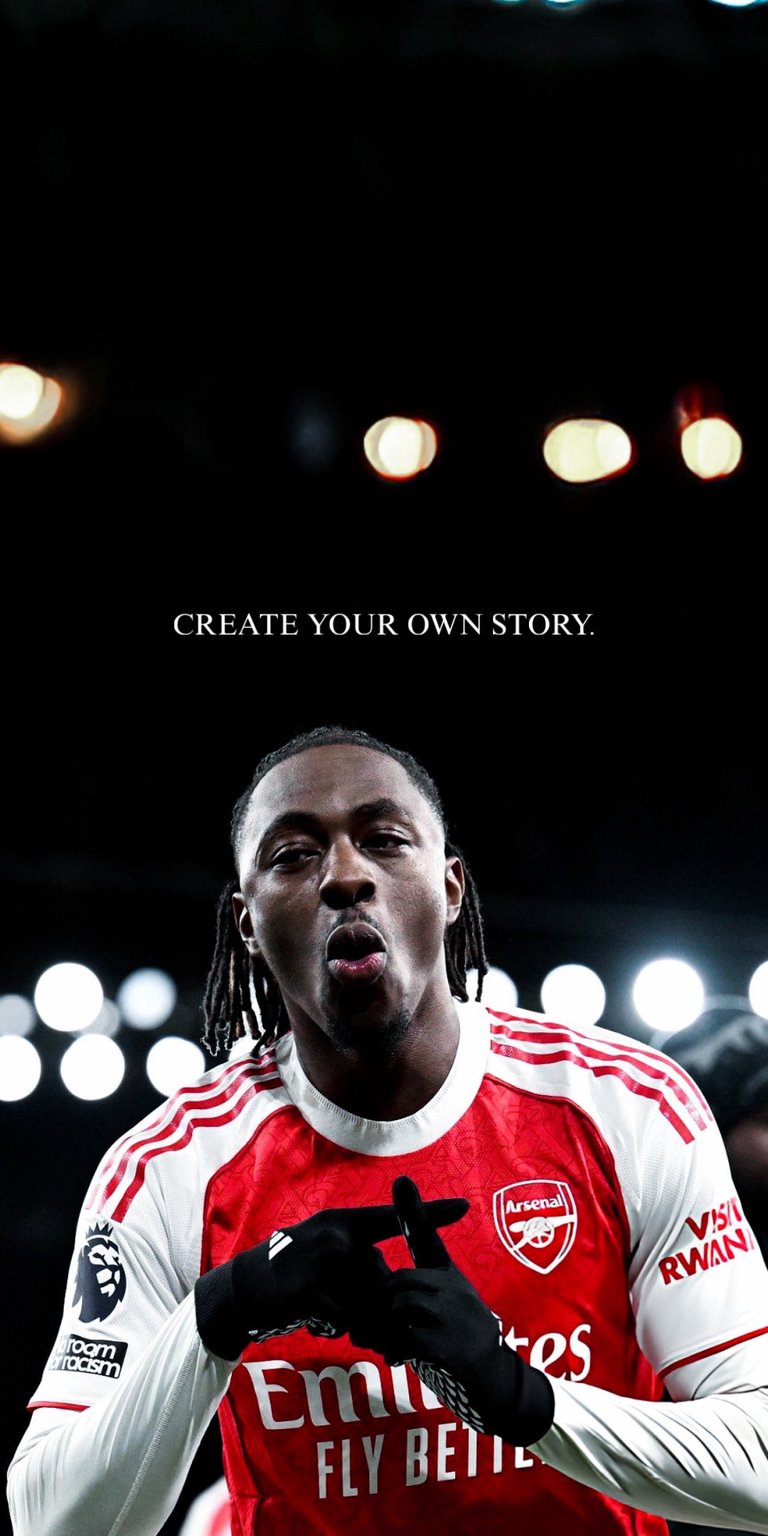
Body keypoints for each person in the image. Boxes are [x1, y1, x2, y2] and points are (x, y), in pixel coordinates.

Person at [7, 725, 768, 1536]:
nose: (344, 875)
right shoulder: (171, 1169)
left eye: (384, 839)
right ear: (247, 926)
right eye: (292, 855)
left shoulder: (624, 1104)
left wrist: (520, 1395)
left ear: (451, 889)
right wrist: (220, 1313)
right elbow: (53, 1523)